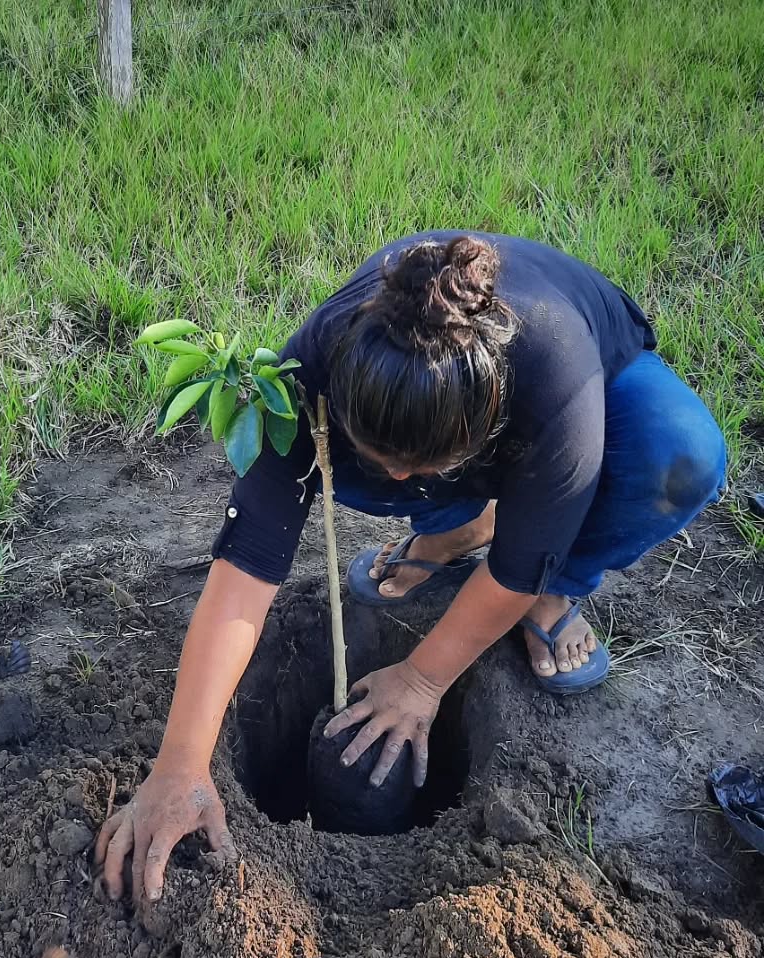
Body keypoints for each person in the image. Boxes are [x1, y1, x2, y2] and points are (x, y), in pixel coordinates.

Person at [94, 231, 727, 903]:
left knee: (679, 457)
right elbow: (246, 568)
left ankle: (557, 583)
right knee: (355, 469)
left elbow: (514, 568)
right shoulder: (310, 370)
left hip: (584, 374)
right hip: (419, 422)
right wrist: (181, 762)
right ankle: (452, 531)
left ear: (488, 432)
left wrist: (422, 683)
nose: (395, 476)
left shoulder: (557, 385)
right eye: (384, 455)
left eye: (417, 465)